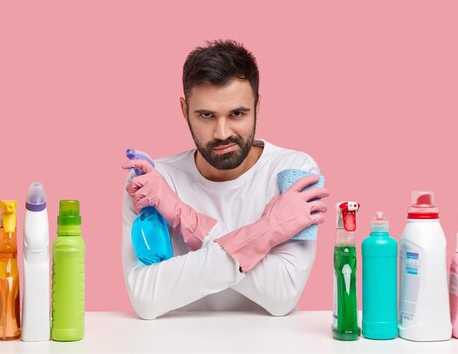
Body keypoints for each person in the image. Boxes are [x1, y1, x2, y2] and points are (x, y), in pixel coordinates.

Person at [121, 40, 329, 319]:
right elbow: (146, 298)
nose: (221, 133)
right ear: (184, 111)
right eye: (206, 115)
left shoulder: (294, 171)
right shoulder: (154, 182)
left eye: (237, 114)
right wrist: (266, 232)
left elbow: (282, 296)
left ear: (257, 105)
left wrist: (185, 218)